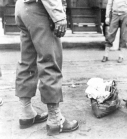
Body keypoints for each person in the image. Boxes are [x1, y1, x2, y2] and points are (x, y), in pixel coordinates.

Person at [15, 0, 78, 136]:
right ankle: (55, 120)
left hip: (22, 7)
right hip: (40, 8)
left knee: (27, 61)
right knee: (50, 60)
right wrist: (59, 16)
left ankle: (25, 112)